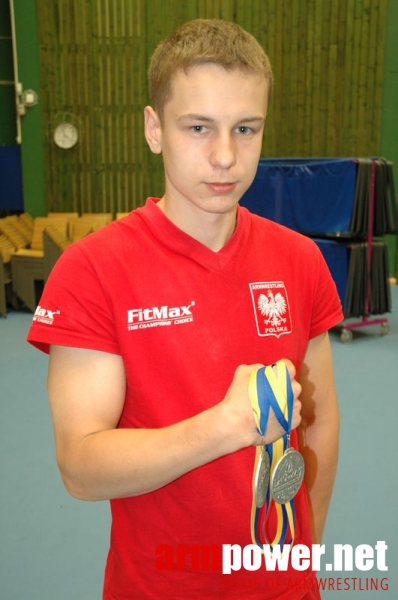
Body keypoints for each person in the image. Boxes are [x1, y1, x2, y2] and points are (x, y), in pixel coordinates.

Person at [27, 18, 343, 600]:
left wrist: (307, 556)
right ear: (154, 129)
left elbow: (319, 423)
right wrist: (222, 427)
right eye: (198, 127)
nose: (225, 156)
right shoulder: (94, 270)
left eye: (246, 129)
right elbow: (80, 465)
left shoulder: (300, 261)